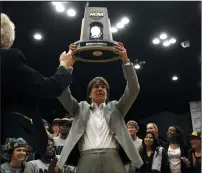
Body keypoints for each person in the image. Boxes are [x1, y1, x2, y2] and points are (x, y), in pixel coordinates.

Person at [55, 43, 143, 173]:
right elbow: (62, 93)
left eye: (104, 87)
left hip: (113, 158)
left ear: (107, 94)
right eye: (96, 86)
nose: (100, 88)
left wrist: (126, 62)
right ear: (89, 94)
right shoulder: (79, 109)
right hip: (86, 159)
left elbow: (134, 89)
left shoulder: (116, 108)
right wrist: (67, 67)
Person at [1, 13, 74, 154]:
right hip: (11, 145)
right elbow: (49, 88)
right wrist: (64, 66)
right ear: (7, 35)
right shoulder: (9, 63)